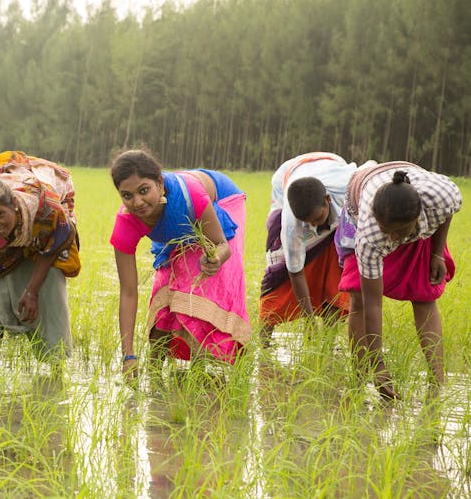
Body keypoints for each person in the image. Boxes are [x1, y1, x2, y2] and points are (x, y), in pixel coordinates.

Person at [109, 149, 250, 380]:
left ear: (160, 183)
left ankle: (200, 373)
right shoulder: (126, 223)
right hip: (174, 225)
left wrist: (216, 259)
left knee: (198, 290)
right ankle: (153, 372)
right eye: (127, 195)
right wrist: (128, 355)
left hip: (218, 202)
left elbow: (220, 244)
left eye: (144, 190)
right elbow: (128, 292)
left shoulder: (190, 196)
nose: (137, 202)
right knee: (164, 290)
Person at [0, 151, 80, 387]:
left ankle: (56, 370)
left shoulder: (47, 210)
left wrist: (31, 291)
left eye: (0, 214)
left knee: (51, 281)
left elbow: (52, 245)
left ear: (15, 206)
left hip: (50, 225)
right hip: (21, 227)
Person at [335, 161, 462, 400]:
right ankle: (360, 377)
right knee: (359, 298)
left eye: (398, 233)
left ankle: (438, 382)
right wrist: (378, 363)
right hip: (360, 197)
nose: (392, 239)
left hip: (411, 212)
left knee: (424, 295)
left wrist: (437, 252)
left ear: (418, 217)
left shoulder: (441, 196)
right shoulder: (371, 234)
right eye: (387, 231)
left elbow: (447, 212)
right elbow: (373, 305)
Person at [259, 152, 368, 344]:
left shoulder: (351, 189)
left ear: (327, 200)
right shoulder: (290, 222)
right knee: (279, 275)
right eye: (308, 223)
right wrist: (309, 320)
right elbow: (295, 271)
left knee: (337, 269)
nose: (315, 227)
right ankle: (264, 343)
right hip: (285, 177)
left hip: (332, 163)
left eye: (317, 219)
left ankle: (328, 338)